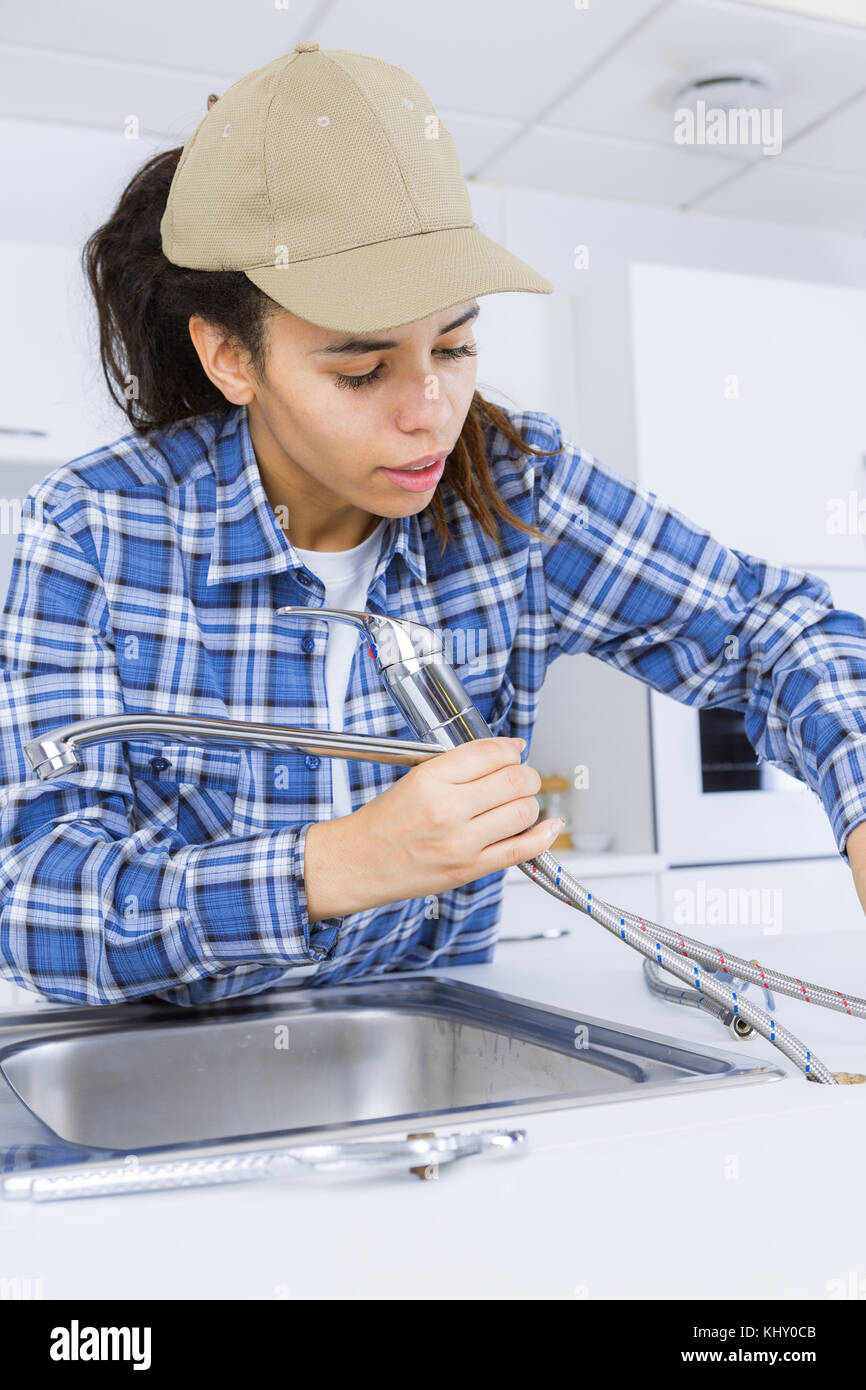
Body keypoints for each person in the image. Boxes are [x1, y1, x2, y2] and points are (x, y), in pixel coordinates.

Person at [2, 40, 866, 1009]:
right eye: (359, 370)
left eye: (454, 344)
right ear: (230, 358)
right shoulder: (90, 529)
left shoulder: (516, 495)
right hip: (163, 1063)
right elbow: (35, 897)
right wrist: (334, 865)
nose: (429, 411)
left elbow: (774, 632)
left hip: (433, 1040)